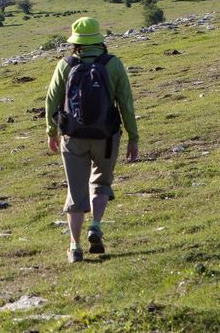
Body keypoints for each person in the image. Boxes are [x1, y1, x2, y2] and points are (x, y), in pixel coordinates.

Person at [45, 17, 139, 263]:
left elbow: (51, 100)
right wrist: (133, 137)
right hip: (106, 137)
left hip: (73, 138)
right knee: (100, 184)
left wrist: (50, 132)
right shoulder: (113, 64)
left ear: (75, 42)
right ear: (99, 39)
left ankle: (75, 247)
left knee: (75, 194)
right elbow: (126, 104)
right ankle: (95, 225)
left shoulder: (65, 65)